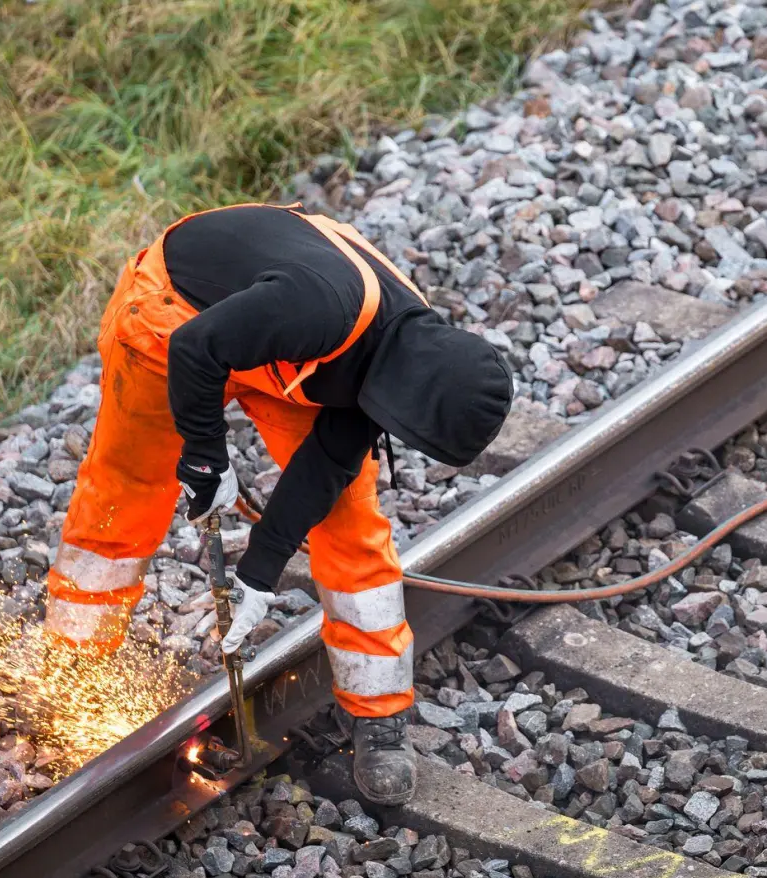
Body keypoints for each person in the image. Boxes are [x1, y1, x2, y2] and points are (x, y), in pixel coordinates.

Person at [43, 203, 513, 805]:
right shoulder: (320, 307)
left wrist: (259, 571)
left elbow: (323, 471)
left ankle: (380, 714)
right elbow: (195, 348)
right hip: (175, 315)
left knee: (351, 523)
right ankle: (74, 669)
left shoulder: (405, 359)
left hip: (285, 344)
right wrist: (207, 458)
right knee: (128, 492)